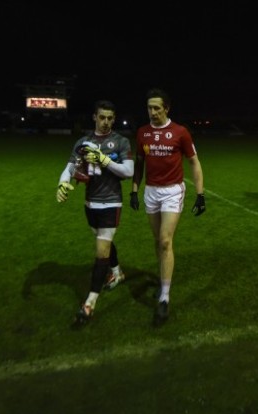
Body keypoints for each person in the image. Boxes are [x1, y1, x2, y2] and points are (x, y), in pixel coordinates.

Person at [130, 88, 206, 326]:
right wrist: (134, 190)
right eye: (149, 108)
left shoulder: (180, 132)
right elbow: (139, 165)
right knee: (157, 242)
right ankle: (163, 278)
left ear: (166, 108)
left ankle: (164, 297)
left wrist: (200, 194)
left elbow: (194, 162)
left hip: (173, 191)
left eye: (156, 108)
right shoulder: (142, 133)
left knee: (165, 240)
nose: (152, 112)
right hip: (151, 191)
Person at [56, 100, 134, 326]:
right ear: (94, 117)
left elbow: (128, 171)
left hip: (111, 204)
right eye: (102, 117)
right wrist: (62, 183)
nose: (107, 122)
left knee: (101, 253)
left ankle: (89, 304)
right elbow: (71, 166)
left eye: (110, 118)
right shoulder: (83, 142)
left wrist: (104, 159)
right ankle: (117, 272)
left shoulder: (120, 141)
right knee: (105, 243)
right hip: (90, 204)